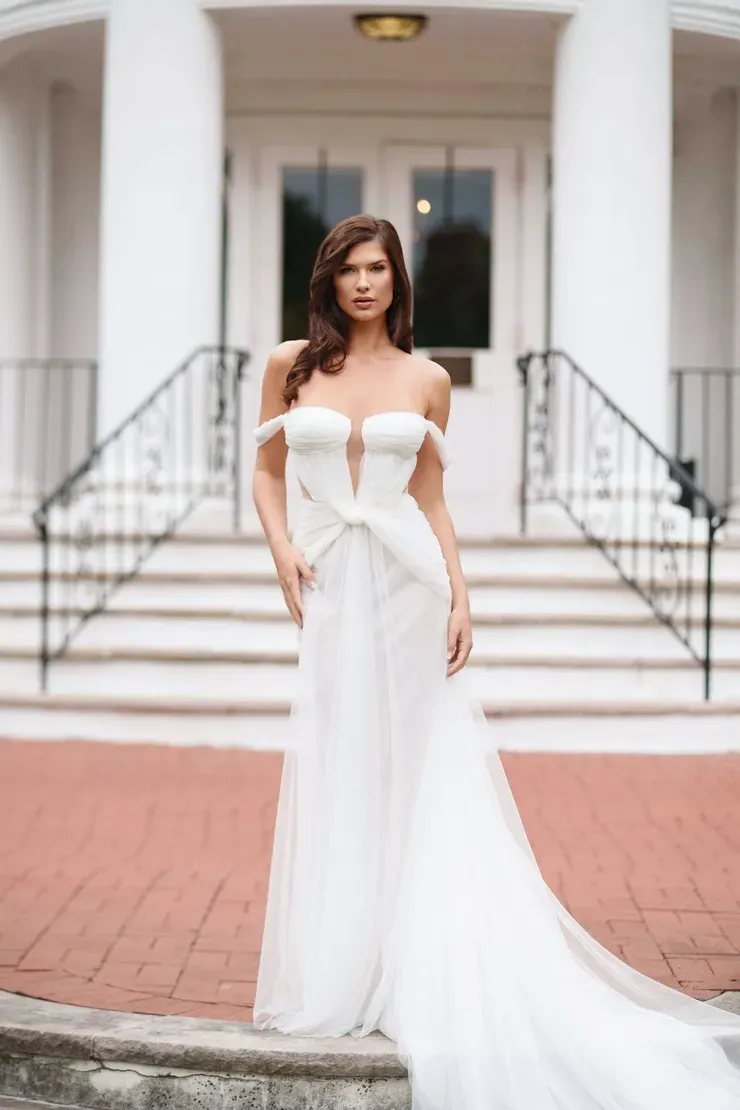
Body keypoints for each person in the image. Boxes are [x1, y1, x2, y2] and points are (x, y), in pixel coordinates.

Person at [251, 214, 740, 1109]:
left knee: (417, 769)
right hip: (330, 579)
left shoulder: (429, 378)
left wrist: (462, 593)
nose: (366, 284)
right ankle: (342, 964)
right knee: (342, 760)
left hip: (410, 583)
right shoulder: (290, 365)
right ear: (328, 280)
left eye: (380, 269)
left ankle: (415, 962)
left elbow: (430, 498)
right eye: (351, 270)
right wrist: (280, 550)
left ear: (399, 280)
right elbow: (267, 471)